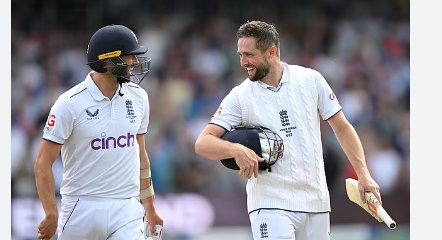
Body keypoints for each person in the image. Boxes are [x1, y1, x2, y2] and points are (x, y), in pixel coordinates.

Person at [194, 20, 382, 240]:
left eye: (249, 55)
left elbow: (342, 128)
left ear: (272, 51)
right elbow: (203, 143)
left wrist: (364, 176)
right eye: (240, 55)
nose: (243, 62)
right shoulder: (240, 96)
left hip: (316, 202)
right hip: (269, 203)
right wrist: (236, 150)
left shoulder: (311, 80)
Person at [34, 24, 163, 240]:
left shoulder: (139, 97)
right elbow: (42, 164)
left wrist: (150, 207)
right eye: (128, 57)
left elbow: (141, 155)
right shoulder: (69, 103)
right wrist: (50, 213)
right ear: (106, 60)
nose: (134, 63)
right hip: (80, 207)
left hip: (127, 207)